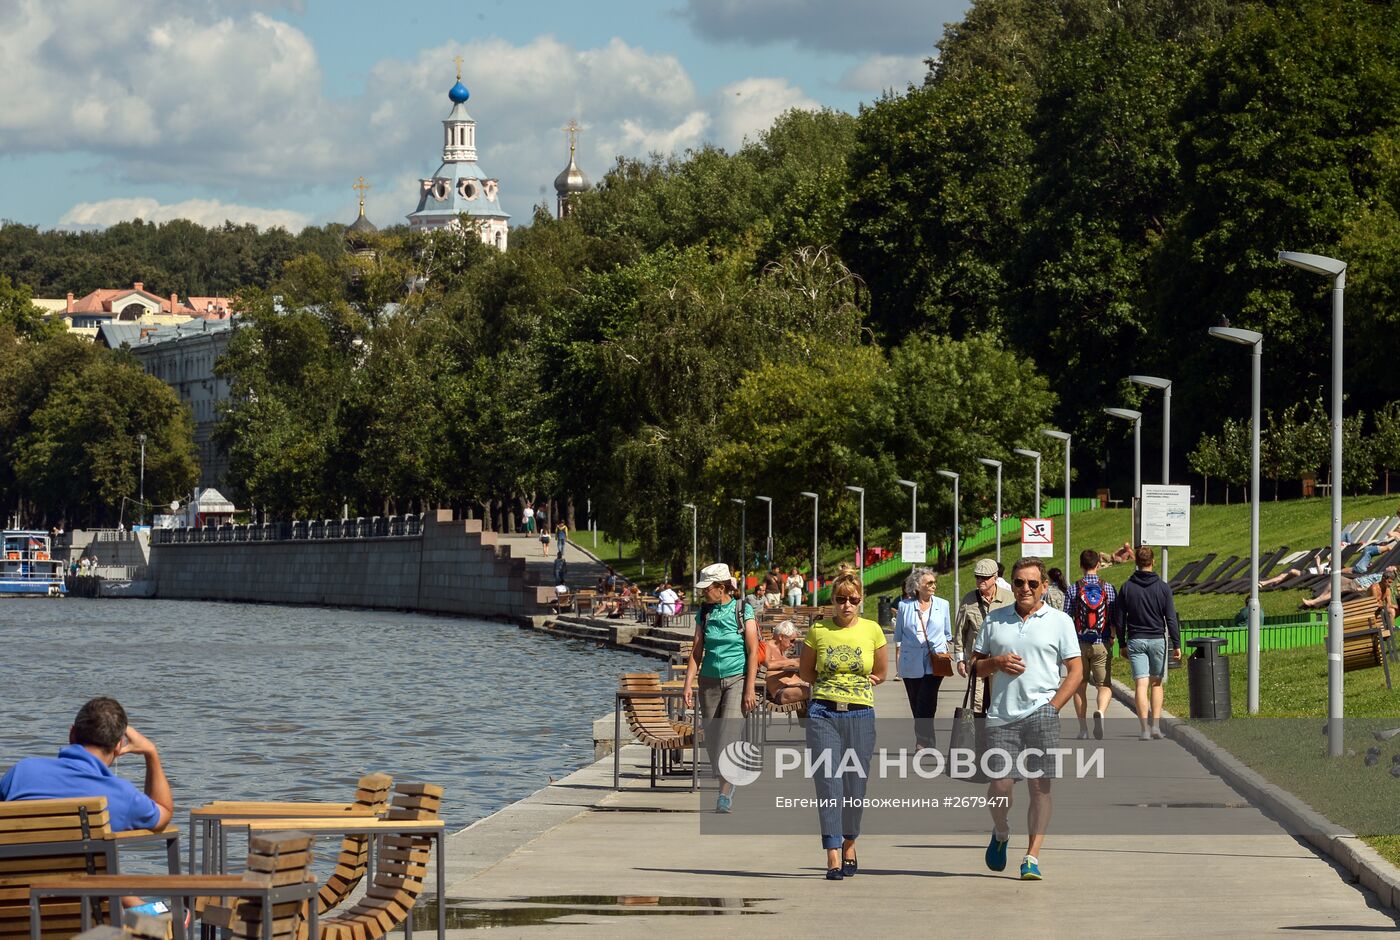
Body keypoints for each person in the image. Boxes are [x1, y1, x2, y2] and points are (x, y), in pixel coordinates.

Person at [0, 698, 174, 908]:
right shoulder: (120, 795)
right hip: (87, 924)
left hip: (13, 913)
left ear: (72, 733)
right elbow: (163, 812)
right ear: (119, 746)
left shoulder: (21, 772)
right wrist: (151, 753)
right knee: (156, 914)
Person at [973, 557, 1083, 882]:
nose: (1025, 589)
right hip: (1001, 717)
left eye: (1032, 583)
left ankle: (1032, 857)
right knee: (1000, 784)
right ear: (1013, 584)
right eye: (1019, 582)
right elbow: (975, 668)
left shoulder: (1060, 621)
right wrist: (996, 662)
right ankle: (1001, 830)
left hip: (1042, 715)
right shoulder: (995, 620)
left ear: (1044, 587)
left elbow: (1076, 670)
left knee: (1039, 788)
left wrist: (1053, 706)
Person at [798, 570, 887, 880]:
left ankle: (850, 841)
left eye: (853, 599)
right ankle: (833, 853)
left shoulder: (873, 630)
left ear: (860, 601)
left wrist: (864, 682)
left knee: (855, 785)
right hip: (824, 712)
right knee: (829, 783)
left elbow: (881, 670)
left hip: (861, 714)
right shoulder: (818, 631)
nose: (847, 605)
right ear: (832, 602)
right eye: (840, 599)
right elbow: (807, 672)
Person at [681, 563, 758, 814]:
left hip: (736, 679)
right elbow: (696, 650)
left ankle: (724, 793)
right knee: (713, 740)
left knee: (729, 734)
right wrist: (688, 683)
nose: (704, 592)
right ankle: (726, 778)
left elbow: (753, 651)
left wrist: (749, 689)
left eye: (707, 588)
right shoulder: (704, 613)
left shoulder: (742, 610)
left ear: (722, 587)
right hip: (708, 681)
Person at [1116, 545, 1181, 740]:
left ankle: (1144, 729)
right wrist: (1177, 644)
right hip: (1156, 640)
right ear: (1153, 562)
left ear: (1136, 562)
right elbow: (1170, 619)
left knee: (1140, 685)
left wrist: (1122, 643)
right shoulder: (1163, 587)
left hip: (1135, 640)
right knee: (1157, 684)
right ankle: (1155, 727)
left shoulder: (1127, 587)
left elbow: (1120, 619)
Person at [893, 566, 951, 750]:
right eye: (930, 583)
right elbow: (899, 634)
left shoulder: (943, 604)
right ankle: (927, 740)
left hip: (935, 660)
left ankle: (922, 741)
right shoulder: (904, 606)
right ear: (918, 586)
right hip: (911, 660)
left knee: (926, 698)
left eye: (935, 582)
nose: (934, 586)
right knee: (916, 700)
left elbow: (947, 632)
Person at [1066, 548, 1119, 741]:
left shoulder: (1073, 588)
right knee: (1104, 685)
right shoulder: (1108, 588)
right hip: (1102, 643)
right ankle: (1101, 711)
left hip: (1078, 645)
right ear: (1098, 565)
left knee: (1079, 686)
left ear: (1081, 565)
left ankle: (1083, 729)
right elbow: (1114, 616)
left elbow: (1066, 618)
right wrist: (1112, 636)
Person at [953, 558, 1014, 708]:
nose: (981, 580)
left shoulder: (1009, 598)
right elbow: (960, 631)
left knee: (999, 700)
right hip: (977, 660)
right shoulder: (969, 600)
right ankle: (978, 730)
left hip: (1001, 659)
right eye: (977, 577)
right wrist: (960, 659)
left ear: (995, 577)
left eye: (985, 577)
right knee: (977, 701)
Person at [763, 621, 810, 705]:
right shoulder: (767, 646)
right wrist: (792, 662)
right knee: (816, 691)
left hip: (792, 688)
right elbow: (768, 664)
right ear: (781, 637)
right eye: (791, 640)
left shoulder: (781, 652)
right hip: (781, 692)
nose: (792, 644)